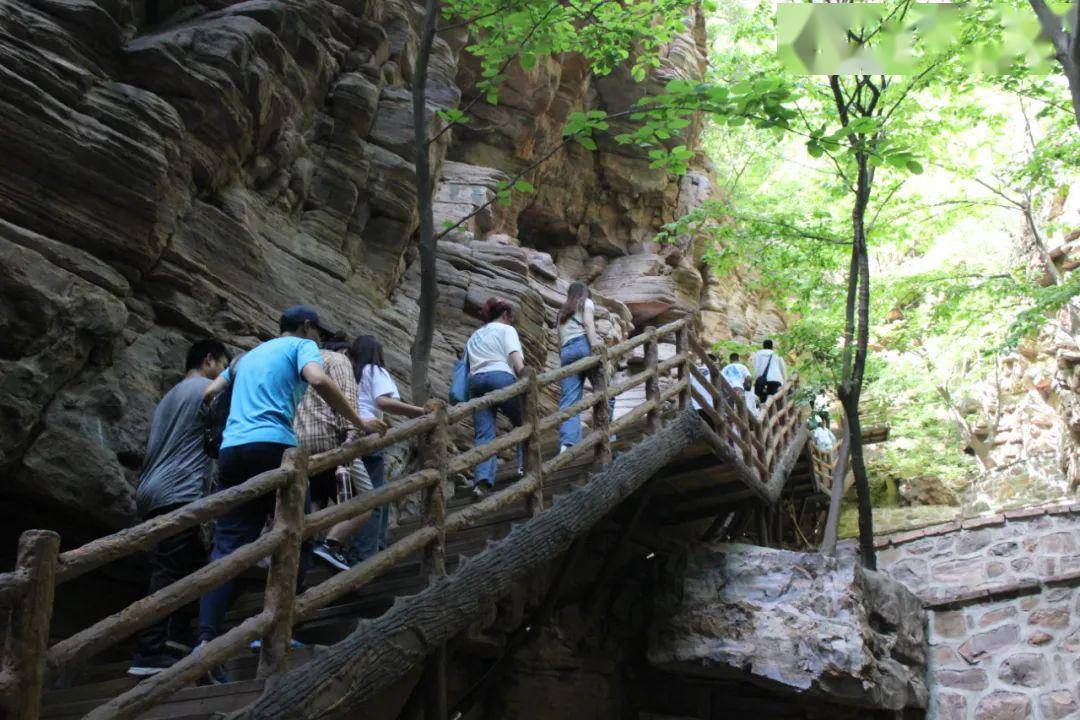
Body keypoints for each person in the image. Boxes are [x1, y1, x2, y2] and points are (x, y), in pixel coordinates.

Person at [195, 306, 384, 679]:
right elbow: (318, 379)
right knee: (300, 535)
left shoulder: (247, 356)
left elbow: (209, 391)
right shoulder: (301, 347)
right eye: (317, 332)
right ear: (308, 327)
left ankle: (206, 643)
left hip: (233, 451)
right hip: (276, 448)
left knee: (228, 546)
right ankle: (279, 629)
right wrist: (357, 420)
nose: (318, 339)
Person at [127, 340, 231, 677]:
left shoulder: (170, 396)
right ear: (209, 361)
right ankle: (149, 652)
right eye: (222, 366)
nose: (222, 373)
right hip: (178, 489)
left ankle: (174, 638)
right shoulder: (205, 389)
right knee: (170, 570)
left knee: (192, 563)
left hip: (151, 489)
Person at [296, 340, 376, 572]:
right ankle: (331, 545)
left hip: (298, 445)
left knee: (314, 505)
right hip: (330, 442)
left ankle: (304, 561)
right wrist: (353, 436)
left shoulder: (302, 363)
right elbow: (348, 401)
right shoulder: (339, 360)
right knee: (366, 501)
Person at [350, 335, 426, 561]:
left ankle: (367, 547)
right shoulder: (374, 371)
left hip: (350, 433)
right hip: (368, 433)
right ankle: (366, 554)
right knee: (373, 494)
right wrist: (420, 412)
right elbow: (383, 402)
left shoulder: (351, 372)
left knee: (364, 494)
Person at [466, 298, 525, 498]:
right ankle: (524, 466)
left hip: (475, 382)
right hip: (500, 377)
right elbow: (515, 357)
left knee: (484, 433)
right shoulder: (506, 329)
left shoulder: (474, 335)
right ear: (505, 315)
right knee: (523, 421)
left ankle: (481, 482)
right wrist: (525, 375)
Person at [556, 282, 613, 453]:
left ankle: (567, 444)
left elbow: (559, 339)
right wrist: (594, 344)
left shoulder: (562, 312)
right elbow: (588, 324)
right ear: (584, 292)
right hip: (583, 346)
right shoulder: (585, 302)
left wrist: (564, 358)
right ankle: (606, 433)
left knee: (569, 400)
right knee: (605, 391)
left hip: (566, 353)